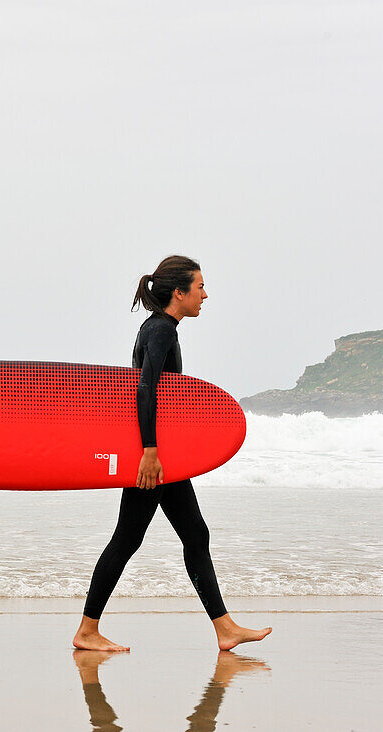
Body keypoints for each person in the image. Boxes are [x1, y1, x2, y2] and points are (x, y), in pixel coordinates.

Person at [72, 255, 272, 652]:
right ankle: (87, 631)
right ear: (178, 292)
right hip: (154, 457)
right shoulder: (162, 331)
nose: (205, 295)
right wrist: (149, 451)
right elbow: (144, 390)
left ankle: (225, 628)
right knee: (127, 539)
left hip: (164, 455)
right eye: (199, 287)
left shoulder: (158, 328)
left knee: (195, 534)